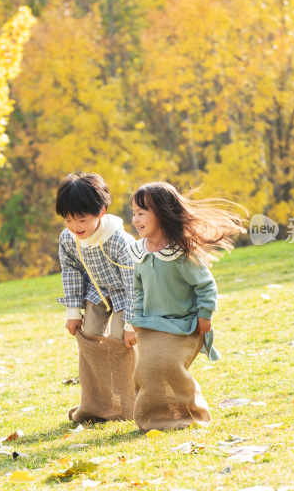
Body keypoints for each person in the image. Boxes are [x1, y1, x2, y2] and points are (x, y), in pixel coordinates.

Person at [128, 181, 245, 431]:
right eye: (134, 213)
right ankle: (152, 419)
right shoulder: (138, 252)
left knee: (169, 365)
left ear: (161, 212)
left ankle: (190, 414)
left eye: (141, 212)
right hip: (149, 324)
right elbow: (137, 289)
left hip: (184, 324)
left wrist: (205, 315)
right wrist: (134, 319)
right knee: (145, 371)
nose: (135, 219)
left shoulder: (181, 253)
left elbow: (206, 286)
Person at [55, 172, 137, 422]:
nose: (75, 226)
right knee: (89, 334)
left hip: (126, 291)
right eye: (69, 219)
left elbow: (133, 282)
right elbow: (71, 273)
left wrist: (131, 324)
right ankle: (99, 402)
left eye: (81, 219)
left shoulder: (118, 240)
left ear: (100, 212)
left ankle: (130, 401)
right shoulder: (69, 239)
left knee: (119, 339)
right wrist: (73, 313)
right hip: (98, 291)